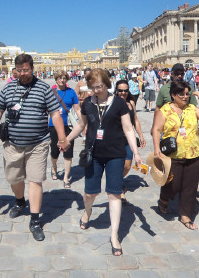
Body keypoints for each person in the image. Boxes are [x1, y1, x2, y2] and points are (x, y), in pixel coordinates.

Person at [0, 54, 70, 242]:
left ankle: (35, 220)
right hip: (13, 144)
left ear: (32, 68)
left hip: (38, 144)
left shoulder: (43, 88)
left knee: (35, 180)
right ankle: (19, 201)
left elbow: (55, 114)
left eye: (25, 70)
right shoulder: (9, 87)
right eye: (19, 70)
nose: (22, 74)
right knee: (13, 178)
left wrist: (62, 137)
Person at [65, 69, 142, 256]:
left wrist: (136, 152)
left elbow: (128, 129)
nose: (96, 90)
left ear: (107, 84)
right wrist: (67, 139)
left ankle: (114, 235)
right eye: (92, 87)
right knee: (90, 192)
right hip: (93, 154)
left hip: (115, 154)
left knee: (114, 194)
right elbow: (81, 125)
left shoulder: (119, 104)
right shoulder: (88, 104)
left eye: (99, 87)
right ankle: (88, 212)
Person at [152, 81, 199, 230]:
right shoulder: (165, 110)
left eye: (187, 94)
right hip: (173, 155)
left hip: (193, 154)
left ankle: (185, 215)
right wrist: (156, 149)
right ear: (173, 95)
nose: (185, 97)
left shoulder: (192, 109)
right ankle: (164, 199)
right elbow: (156, 130)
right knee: (173, 184)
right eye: (182, 94)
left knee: (190, 187)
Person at [114, 80, 145, 203]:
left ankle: (116, 180)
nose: (123, 93)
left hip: (128, 139)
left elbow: (135, 120)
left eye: (125, 90)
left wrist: (141, 135)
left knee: (127, 165)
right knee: (117, 164)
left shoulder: (131, 102)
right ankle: (119, 188)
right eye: (120, 90)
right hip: (115, 139)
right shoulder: (113, 102)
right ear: (116, 91)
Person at [48, 70, 81, 188]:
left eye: (64, 78)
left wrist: (83, 123)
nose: (62, 80)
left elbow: (77, 109)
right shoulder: (50, 92)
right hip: (53, 126)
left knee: (68, 152)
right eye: (60, 78)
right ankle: (54, 167)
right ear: (56, 79)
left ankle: (66, 177)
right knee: (54, 152)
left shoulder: (71, 92)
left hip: (69, 126)